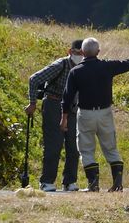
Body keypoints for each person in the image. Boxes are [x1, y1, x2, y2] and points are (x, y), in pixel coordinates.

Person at [60, 37, 129, 192]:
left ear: (82, 52)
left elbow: (67, 97)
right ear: (98, 52)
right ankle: (117, 183)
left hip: (86, 114)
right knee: (111, 148)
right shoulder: (107, 66)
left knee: (86, 149)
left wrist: (64, 119)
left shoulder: (75, 72)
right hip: (105, 113)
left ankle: (93, 184)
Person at [25, 39, 85, 191]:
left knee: (73, 146)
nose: (80, 56)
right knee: (54, 145)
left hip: (72, 108)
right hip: (53, 104)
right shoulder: (61, 65)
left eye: (82, 53)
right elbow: (34, 79)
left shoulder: (84, 67)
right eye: (77, 53)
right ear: (70, 52)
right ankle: (46, 181)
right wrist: (33, 103)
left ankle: (70, 181)